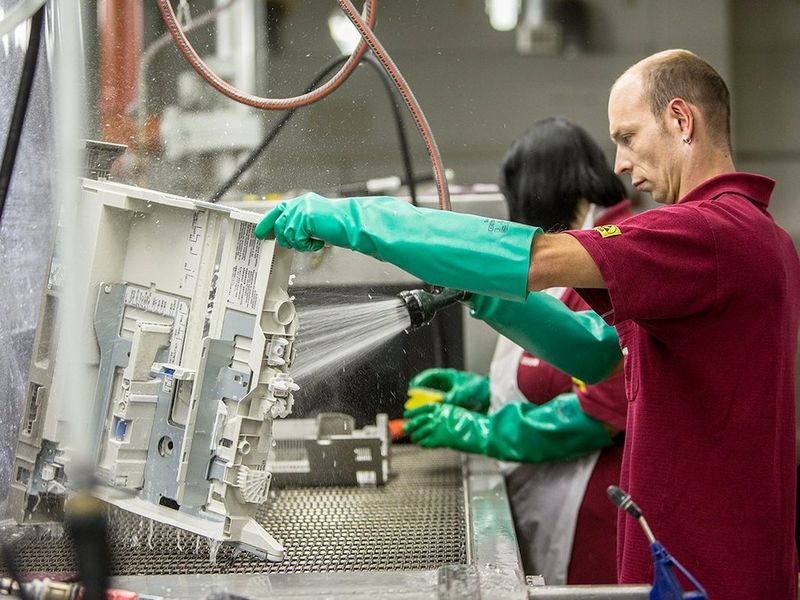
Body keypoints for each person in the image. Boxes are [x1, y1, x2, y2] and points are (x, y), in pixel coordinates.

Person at [255, 50, 800, 599]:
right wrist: (482, 289)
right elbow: (599, 355)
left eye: (628, 137)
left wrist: (352, 218)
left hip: (707, 574)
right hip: (715, 565)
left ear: (681, 120)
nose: (619, 163)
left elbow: (538, 260)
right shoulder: (758, 237)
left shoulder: (709, 234)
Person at [402, 117, 632, 583]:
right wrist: (481, 392)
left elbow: (606, 405)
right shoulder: (568, 252)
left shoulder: (615, 254)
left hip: (596, 523)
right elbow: (552, 373)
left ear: (538, 193)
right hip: (552, 502)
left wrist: (481, 430)